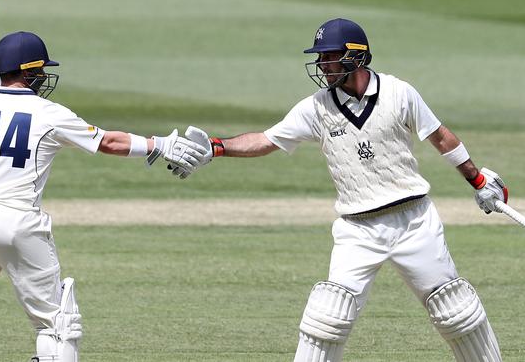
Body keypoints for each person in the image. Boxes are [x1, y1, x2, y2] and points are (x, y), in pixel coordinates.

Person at [178, 18, 507, 362]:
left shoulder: (399, 92)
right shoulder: (316, 107)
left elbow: (441, 137)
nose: (322, 64)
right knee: (327, 316)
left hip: (413, 220)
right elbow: (265, 140)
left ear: (355, 56)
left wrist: (479, 181)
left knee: (456, 311)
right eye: (320, 57)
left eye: (329, 56)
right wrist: (217, 147)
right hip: (357, 228)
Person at [0, 31, 206, 362]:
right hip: (18, 222)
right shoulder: (49, 112)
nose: (43, 77)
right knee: (57, 323)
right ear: (28, 71)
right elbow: (108, 143)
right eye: (40, 70)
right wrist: (160, 144)